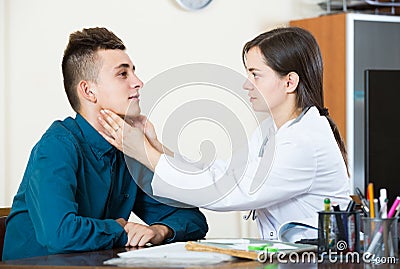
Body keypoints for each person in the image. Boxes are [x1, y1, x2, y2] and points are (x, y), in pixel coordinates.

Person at [97, 27, 350, 242]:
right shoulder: (269, 131)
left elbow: (222, 190)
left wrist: (141, 150)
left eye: (255, 74)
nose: (247, 84)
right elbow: (225, 172)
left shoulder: (304, 142)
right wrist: (157, 147)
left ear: (289, 82)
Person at [2, 27, 208, 261]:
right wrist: (119, 228)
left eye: (133, 72)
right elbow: (60, 234)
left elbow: (193, 219)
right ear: (89, 91)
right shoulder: (56, 146)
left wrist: (159, 230)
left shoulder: (126, 149)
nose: (138, 82)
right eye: (123, 74)